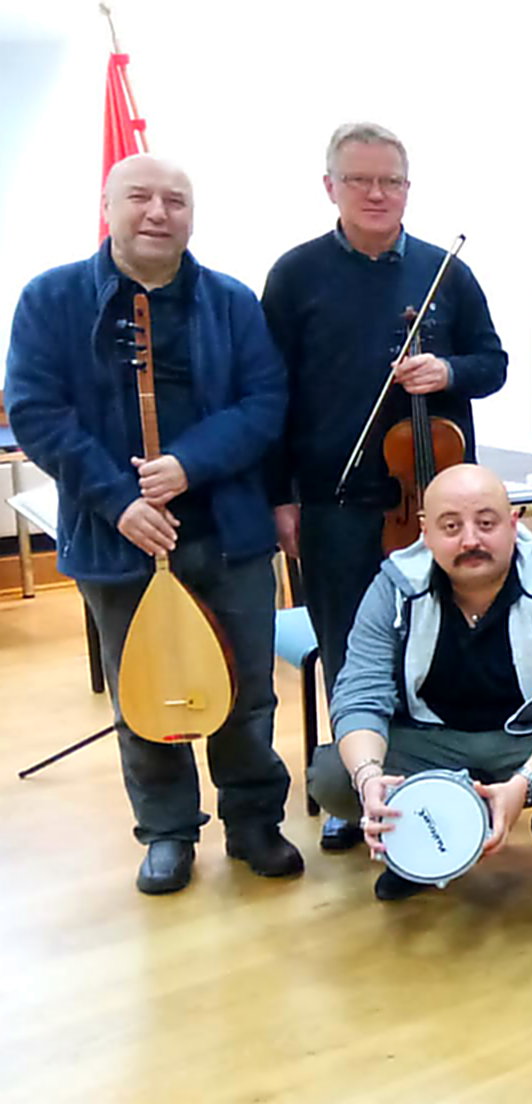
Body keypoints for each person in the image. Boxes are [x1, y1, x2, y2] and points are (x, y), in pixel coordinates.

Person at [6, 154, 300, 895]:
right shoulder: (51, 299)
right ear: (107, 205)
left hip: (226, 528)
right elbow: (37, 410)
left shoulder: (231, 302)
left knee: (245, 687)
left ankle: (253, 821)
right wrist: (120, 500)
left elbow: (265, 402)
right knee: (143, 691)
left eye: (176, 199)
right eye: (140, 196)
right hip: (118, 533)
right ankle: (168, 832)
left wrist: (188, 465)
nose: (158, 212)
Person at [262, 122, 508, 852]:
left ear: (407, 188)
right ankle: (355, 789)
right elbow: (270, 395)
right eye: (360, 179)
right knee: (348, 647)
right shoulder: (295, 275)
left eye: (390, 181)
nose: (376, 193)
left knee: (433, 642)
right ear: (330, 186)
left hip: (432, 506)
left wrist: (450, 372)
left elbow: (491, 362)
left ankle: (438, 776)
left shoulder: (444, 272)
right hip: (335, 503)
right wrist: (282, 497)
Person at [309, 464, 532, 900]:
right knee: (332, 774)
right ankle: (413, 846)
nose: (471, 540)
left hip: (524, 740)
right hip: (426, 742)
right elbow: (360, 693)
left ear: (514, 523)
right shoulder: (393, 587)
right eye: (451, 526)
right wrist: (368, 779)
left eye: (487, 522)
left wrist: (524, 785)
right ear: (425, 531)